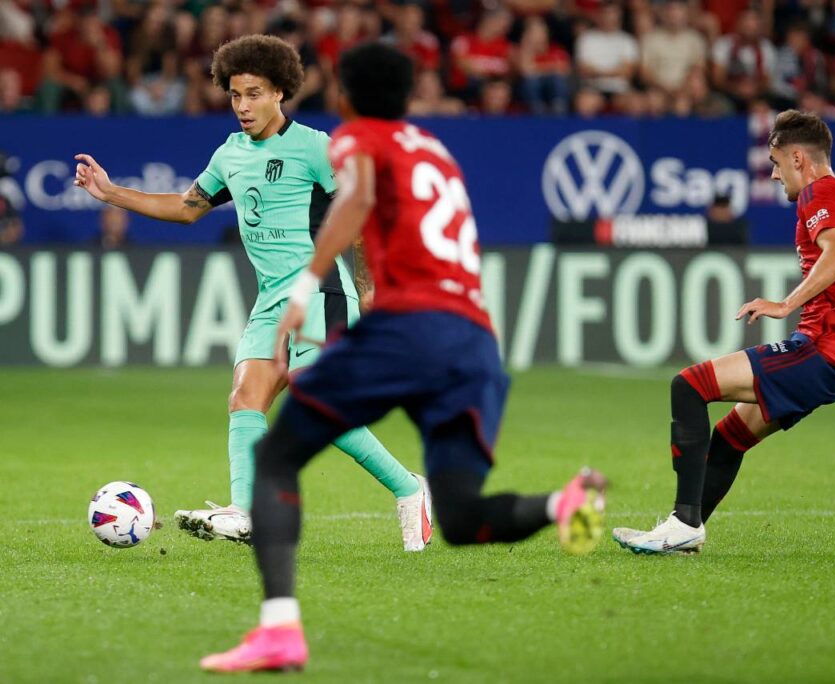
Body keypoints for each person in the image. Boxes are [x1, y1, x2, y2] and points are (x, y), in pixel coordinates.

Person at [199, 43, 608, 674]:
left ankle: (279, 630)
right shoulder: (434, 151)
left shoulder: (353, 141)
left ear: (345, 97)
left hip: (411, 325)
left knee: (278, 452)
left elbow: (355, 203)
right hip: (473, 338)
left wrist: (313, 283)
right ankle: (565, 504)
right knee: (461, 515)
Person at [72, 35, 431, 552]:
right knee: (245, 398)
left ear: (280, 91)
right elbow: (187, 208)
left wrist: (369, 284)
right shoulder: (231, 154)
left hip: (322, 290)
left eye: (254, 94)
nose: (242, 106)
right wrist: (111, 193)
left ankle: (409, 490)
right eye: (236, 95)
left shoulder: (314, 147)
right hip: (272, 300)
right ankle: (245, 513)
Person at [613, 110, 835, 555]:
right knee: (729, 438)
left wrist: (784, 305)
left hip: (822, 349)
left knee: (689, 386)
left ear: (798, 158)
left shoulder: (820, 192)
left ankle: (683, 524)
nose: (775, 175)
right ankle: (684, 532)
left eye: (777, 163)